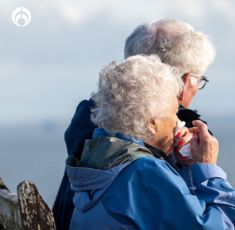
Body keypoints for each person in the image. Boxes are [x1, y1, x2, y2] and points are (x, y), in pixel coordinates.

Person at [53, 19, 218, 229]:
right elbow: (199, 219)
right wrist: (203, 167)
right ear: (184, 80)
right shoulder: (181, 128)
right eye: (198, 78)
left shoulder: (91, 116)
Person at [66, 55, 235, 229]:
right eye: (174, 112)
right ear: (151, 123)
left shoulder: (96, 158)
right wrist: (207, 168)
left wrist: (183, 165)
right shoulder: (143, 172)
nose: (178, 122)